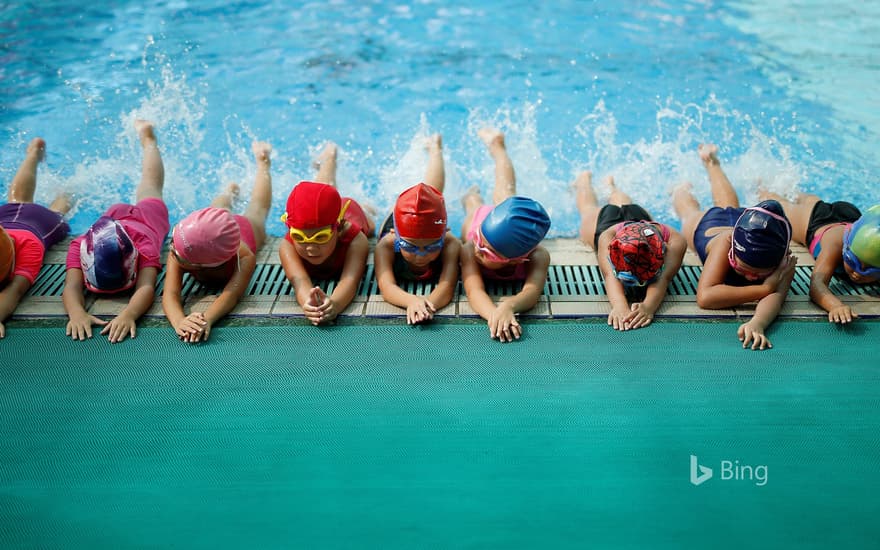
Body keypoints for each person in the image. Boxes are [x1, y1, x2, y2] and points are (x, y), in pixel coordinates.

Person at [672, 143, 795, 350]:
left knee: (730, 205)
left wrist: (758, 322)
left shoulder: (783, 259)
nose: (749, 278)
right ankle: (683, 187)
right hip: (709, 228)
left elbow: (776, 297)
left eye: (758, 275)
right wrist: (764, 287)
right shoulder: (725, 244)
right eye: (741, 269)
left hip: (745, 222)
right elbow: (705, 296)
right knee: (689, 213)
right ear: (732, 253)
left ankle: (713, 162)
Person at [62, 119, 169, 343]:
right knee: (148, 186)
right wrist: (76, 313)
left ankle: (148, 139)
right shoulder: (80, 245)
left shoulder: (145, 247)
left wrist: (129, 314)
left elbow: (147, 286)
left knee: (150, 185)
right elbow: (71, 287)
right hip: (112, 220)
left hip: (148, 220)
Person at [162, 141, 273, 342]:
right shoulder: (178, 249)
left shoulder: (244, 257)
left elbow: (231, 294)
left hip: (244, 230)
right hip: (209, 229)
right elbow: (170, 293)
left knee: (257, 209)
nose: (171, 250)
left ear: (200, 263)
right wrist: (179, 321)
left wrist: (207, 319)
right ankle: (228, 192)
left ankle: (263, 163)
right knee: (217, 210)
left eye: (177, 252)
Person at [460, 128, 551, 342]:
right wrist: (495, 315)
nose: (476, 249)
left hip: (496, 230)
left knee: (496, 199)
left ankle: (474, 198)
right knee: (501, 194)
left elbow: (533, 290)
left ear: (519, 260)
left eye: (486, 251)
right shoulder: (472, 246)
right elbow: (474, 291)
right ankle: (497, 147)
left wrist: (510, 305)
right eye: (478, 244)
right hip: (481, 223)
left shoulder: (538, 257)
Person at [576, 171, 687, 331]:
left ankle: (611, 186)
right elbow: (609, 275)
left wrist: (648, 307)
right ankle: (584, 182)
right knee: (588, 210)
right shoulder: (606, 239)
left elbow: (663, 278)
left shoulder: (676, 242)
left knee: (623, 203)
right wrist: (619, 305)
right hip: (609, 225)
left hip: (639, 219)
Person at [278, 143, 374, 325]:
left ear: (338, 230)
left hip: (352, 212)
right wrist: (309, 304)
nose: (310, 247)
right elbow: (300, 282)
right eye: (300, 237)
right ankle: (329, 157)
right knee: (319, 191)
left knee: (371, 224)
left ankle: (365, 205)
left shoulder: (356, 240)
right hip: (329, 214)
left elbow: (350, 280)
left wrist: (335, 305)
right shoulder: (288, 245)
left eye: (320, 237)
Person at [374, 135, 461, 324]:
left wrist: (426, 305)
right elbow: (387, 287)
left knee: (432, 191)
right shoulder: (387, 246)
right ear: (395, 237)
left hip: (423, 226)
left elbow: (447, 287)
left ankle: (436, 149)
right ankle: (434, 149)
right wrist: (412, 301)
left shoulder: (451, 244)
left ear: (444, 234)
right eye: (410, 247)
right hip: (399, 223)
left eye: (431, 247)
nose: (421, 255)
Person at [756, 190, 880, 323]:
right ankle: (762, 187)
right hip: (815, 220)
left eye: (871, 270)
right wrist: (836, 306)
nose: (857, 273)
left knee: (812, 201)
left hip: (852, 217)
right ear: (846, 248)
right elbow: (817, 284)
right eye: (852, 261)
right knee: (777, 207)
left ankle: (806, 198)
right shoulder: (835, 244)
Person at [0, 138, 72, 338]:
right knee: (17, 199)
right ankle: (33, 153)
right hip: (6, 219)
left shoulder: (29, 249)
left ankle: (72, 190)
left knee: (58, 212)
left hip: (41, 222)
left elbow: (14, 292)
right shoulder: (7, 245)